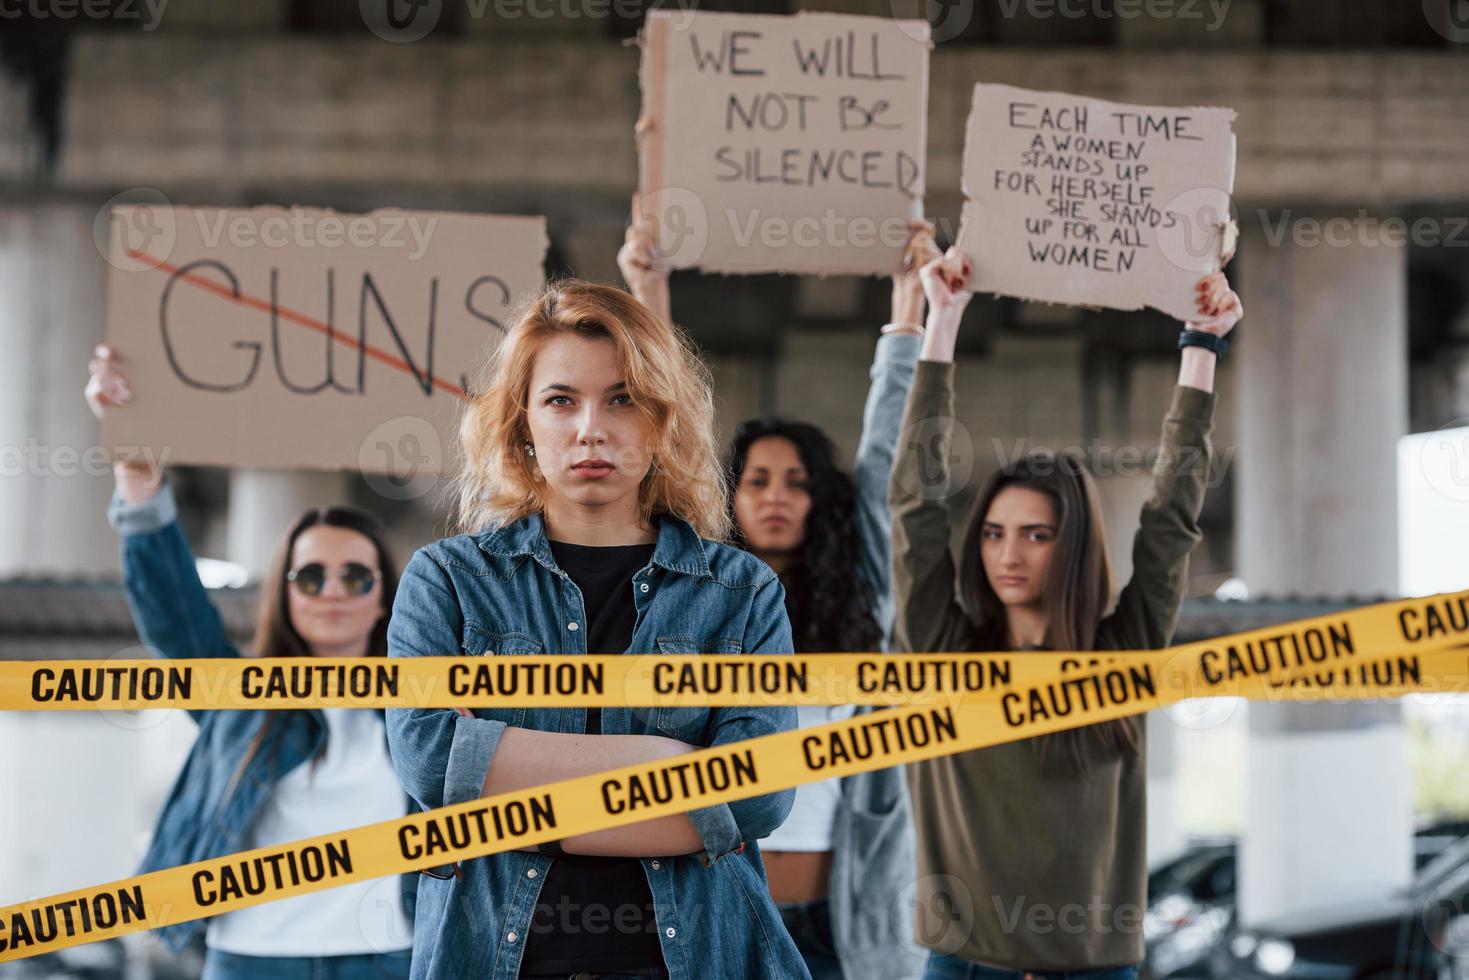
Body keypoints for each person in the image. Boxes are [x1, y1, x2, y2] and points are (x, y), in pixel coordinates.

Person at [384, 280, 807, 980]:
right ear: (522, 421)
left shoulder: (738, 593)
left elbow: (757, 795)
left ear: (661, 420)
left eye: (622, 399)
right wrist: (673, 771)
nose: (590, 428)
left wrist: (497, 782)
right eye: (560, 400)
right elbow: (430, 761)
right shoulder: (448, 581)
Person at [889, 252, 1243, 980]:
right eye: (992, 532)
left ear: (1071, 547)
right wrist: (942, 322)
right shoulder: (942, 649)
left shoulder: (1123, 655)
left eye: (1035, 534)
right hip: (960, 965)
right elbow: (914, 507)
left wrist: (1200, 346)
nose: (1006, 554)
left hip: (1095, 967)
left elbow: (1169, 520)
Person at [619, 215, 936, 980]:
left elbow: (886, 449)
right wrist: (648, 290)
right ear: (729, 497)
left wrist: (908, 305)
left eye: (795, 482)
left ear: (820, 501)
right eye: (756, 480)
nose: (774, 497)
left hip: (845, 926)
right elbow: (673, 446)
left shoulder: (862, 592)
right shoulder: (704, 596)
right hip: (722, 908)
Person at [85, 344, 415, 980]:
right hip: (254, 960)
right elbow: (173, 616)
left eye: (356, 576)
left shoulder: (427, 701)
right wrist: (137, 473)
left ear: (384, 598)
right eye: (312, 576)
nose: (335, 591)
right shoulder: (239, 696)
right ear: (284, 592)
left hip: (388, 958)